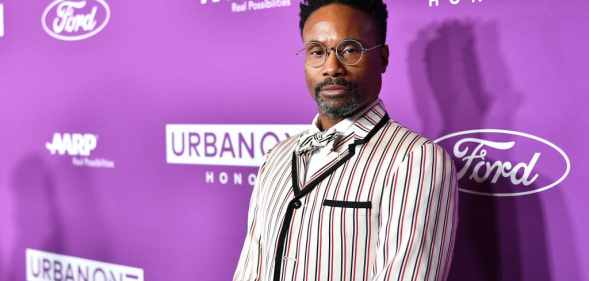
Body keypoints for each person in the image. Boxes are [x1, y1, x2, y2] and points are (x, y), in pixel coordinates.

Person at [233, 1, 459, 280]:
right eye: (317, 51)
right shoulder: (276, 156)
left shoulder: (416, 161)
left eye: (350, 49)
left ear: (383, 58)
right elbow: (251, 269)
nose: (331, 67)